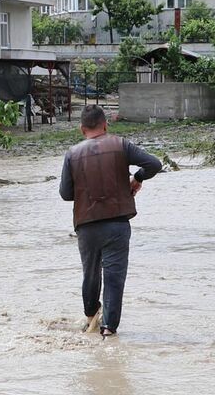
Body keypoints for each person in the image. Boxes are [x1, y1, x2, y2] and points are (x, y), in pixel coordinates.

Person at [58, 106, 163, 337]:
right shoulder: (120, 144)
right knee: (114, 277)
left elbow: (65, 194)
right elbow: (154, 164)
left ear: (82, 129)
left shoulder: (72, 154)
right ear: (105, 124)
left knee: (91, 273)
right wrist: (136, 177)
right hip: (116, 223)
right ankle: (108, 329)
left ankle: (90, 318)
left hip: (86, 225)